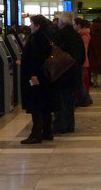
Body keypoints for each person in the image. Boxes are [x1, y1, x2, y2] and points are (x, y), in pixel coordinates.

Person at [20, 15, 53, 144]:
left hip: (36, 77)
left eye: (32, 24)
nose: (30, 26)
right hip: (44, 76)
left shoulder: (36, 38)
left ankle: (36, 134)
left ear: (38, 25)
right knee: (44, 104)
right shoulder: (46, 36)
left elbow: (35, 58)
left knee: (36, 104)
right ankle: (47, 131)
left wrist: (33, 75)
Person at [52, 12, 85, 134]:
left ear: (61, 22)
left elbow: (53, 56)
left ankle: (60, 125)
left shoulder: (60, 36)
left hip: (62, 73)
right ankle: (70, 125)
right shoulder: (76, 36)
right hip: (74, 72)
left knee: (61, 100)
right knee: (70, 100)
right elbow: (82, 55)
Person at [73, 18, 93, 107]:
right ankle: (84, 98)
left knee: (81, 82)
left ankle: (84, 99)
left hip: (83, 61)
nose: (73, 26)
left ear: (79, 25)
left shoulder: (84, 36)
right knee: (81, 81)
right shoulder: (83, 35)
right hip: (83, 61)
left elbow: (83, 51)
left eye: (74, 24)